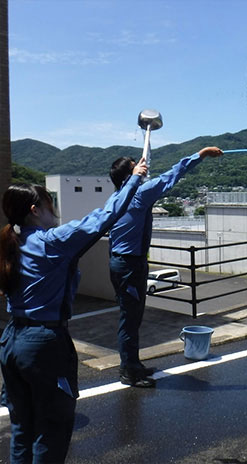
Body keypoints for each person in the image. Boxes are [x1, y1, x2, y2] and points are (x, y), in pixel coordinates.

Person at [0, 158, 147, 463]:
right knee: (50, 431)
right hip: (43, 344)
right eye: (49, 202)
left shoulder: (11, 242)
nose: (53, 208)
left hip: (11, 341)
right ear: (34, 210)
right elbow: (105, 216)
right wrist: (133, 179)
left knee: (23, 429)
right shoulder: (51, 242)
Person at [108, 146, 222, 388]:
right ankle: (128, 370)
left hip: (120, 262)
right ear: (131, 176)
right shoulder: (139, 195)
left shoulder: (116, 198)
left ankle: (133, 364)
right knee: (130, 319)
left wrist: (135, 170)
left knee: (132, 317)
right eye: (136, 167)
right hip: (130, 264)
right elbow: (172, 175)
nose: (144, 170)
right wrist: (200, 154)